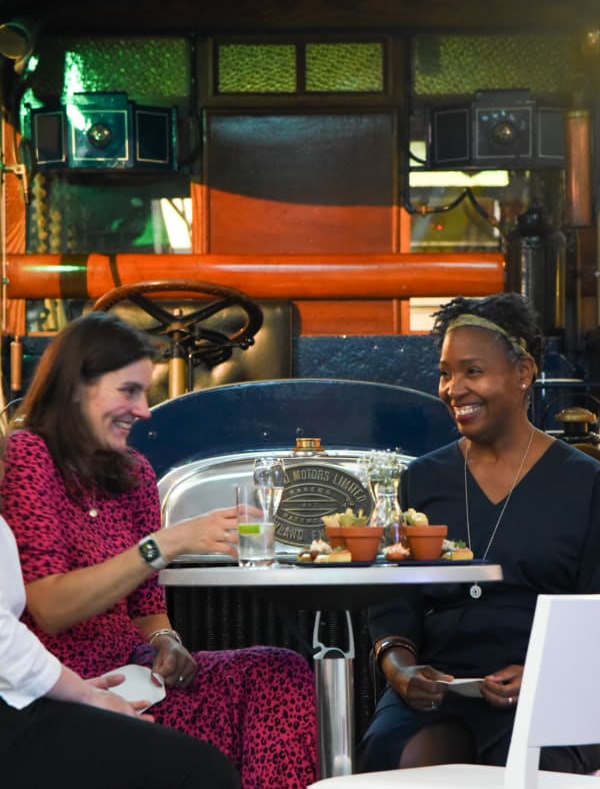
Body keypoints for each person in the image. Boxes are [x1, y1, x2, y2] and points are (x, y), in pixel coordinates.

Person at [0, 311, 317, 789]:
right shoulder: (29, 456)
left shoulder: (135, 474)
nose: (145, 410)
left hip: (135, 673)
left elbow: (148, 610)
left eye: (145, 393)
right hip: (59, 686)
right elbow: (49, 607)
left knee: (280, 672)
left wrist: (167, 643)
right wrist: (166, 543)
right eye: (128, 391)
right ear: (75, 388)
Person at [358, 292, 600, 775]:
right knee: (405, 760)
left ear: (524, 371)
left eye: (473, 371)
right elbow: (393, 609)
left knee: (534, 766)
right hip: (436, 689)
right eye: (446, 373)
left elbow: (594, 616)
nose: (453, 389)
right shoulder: (422, 480)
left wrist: (541, 677)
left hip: (550, 689)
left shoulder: (585, 481)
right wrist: (401, 671)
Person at [0, 511, 241, 789]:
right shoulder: (31, 473)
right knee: (202, 771)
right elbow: (35, 622)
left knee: (273, 672)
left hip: (113, 676)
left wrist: (166, 640)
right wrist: (83, 694)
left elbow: (147, 604)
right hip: (45, 684)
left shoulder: (135, 473)